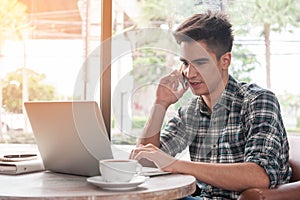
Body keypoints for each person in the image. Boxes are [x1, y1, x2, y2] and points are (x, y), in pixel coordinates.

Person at [130, 10, 291, 199]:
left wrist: (173, 164)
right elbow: (145, 162)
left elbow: (260, 175)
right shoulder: (190, 112)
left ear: (225, 61)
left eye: (200, 63)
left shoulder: (258, 101)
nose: (189, 74)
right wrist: (160, 103)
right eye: (185, 63)